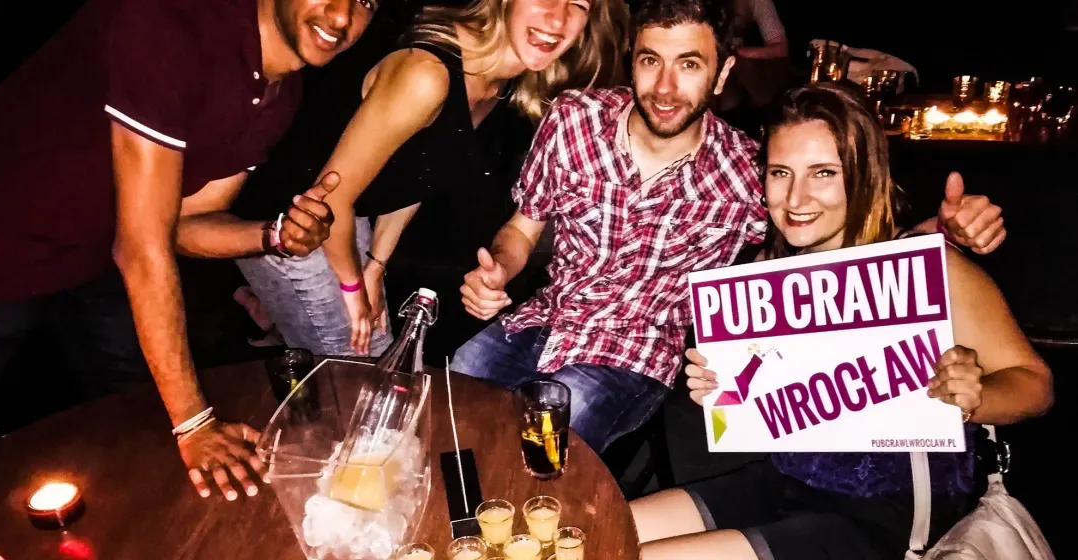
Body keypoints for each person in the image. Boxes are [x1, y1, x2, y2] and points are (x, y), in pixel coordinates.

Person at [452, 0, 1008, 455]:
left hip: (633, 355)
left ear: (721, 74)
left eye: (689, 65)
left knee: (546, 439)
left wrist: (940, 231)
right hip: (542, 319)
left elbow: (840, 239)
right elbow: (523, 228)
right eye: (651, 61)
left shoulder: (747, 171)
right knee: (452, 402)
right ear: (631, 61)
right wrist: (500, 267)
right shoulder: (573, 118)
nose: (665, 87)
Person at [629, 83, 1054, 560]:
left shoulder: (926, 271)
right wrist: (720, 388)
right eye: (781, 173)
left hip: (890, 512)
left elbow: (1036, 384)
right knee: (600, 529)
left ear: (863, 176)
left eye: (824, 173)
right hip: (788, 479)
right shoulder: (767, 276)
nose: (796, 197)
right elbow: (761, 406)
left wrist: (976, 398)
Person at [0, 0, 374, 501]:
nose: (342, 17)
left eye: (366, 1)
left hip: (95, 258)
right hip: (2, 240)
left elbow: (184, 224)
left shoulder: (282, 92)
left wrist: (275, 236)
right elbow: (143, 244)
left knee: (136, 426)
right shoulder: (169, 21)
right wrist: (195, 422)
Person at [232, 0, 629, 360]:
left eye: (578, 4)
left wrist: (375, 266)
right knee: (358, 369)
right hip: (286, 218)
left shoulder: (497, 83)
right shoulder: (427, 74)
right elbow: (330, 200)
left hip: (346, 217)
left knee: (376, 359)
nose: (558, 18)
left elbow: (418, 176)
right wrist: (352, 287)